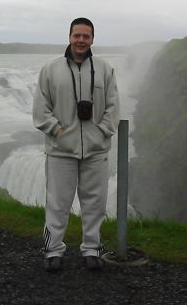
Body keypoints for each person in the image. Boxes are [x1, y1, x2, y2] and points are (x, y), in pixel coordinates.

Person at [33, 17, 120, 272]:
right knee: (57, 203)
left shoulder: (104, 69)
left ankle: (92, 248)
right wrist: (58, 131)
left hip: (96, 150)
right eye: (77, 35)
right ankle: (53, 250)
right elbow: (40, 109)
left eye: (86, 36)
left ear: (92, 39)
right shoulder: (50, 69)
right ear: (69, 37)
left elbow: (113, 106)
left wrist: (101, 132)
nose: (81, 40)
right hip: (60, 150)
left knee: (95, 203)